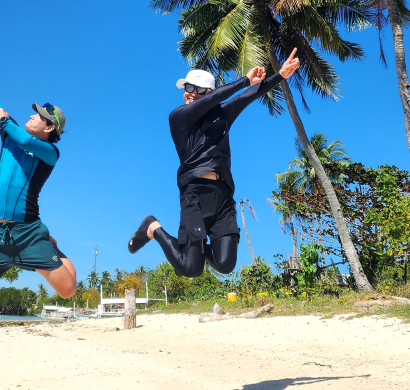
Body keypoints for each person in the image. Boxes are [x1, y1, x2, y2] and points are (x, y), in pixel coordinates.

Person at [128, 49, 301, 277]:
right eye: (188, 88)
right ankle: (153, 227)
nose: (192, 93)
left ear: (208, 92)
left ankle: (193, 249)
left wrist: (280, 75)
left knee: (225, 264)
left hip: (223, 195)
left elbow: (247, 97)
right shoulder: (178, 116)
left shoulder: (222, 114)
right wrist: (245, 80)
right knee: (191, 269)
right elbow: (214, 98)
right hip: (195, 193)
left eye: (199, 90)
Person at [0, 51, 77, 309]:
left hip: (28, 233)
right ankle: (8, 258)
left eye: (39, 116)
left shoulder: (51, 153)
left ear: (49, 128)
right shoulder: (9, 134)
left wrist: (3, 121)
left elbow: (25, 141)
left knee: (68, 290)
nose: (32, 115)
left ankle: (49, 245)